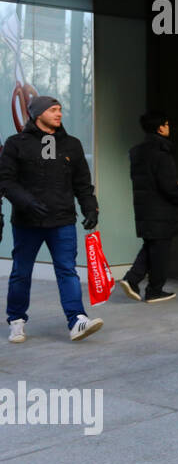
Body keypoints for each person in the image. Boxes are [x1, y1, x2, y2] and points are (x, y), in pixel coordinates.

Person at [0, 96, 102, 342]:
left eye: (60, 110)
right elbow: (6, 181)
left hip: (63, 220)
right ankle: (16, 320)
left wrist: (91, 209)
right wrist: (27, 202)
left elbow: (82, 184)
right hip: (27, 222)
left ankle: (77, 319)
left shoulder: (72, 145)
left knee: (67, 270)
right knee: (21, 273)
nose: (59, 114)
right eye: (53, 110)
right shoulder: (16, 144)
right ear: (38, 114)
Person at [121, 110, 178, 303]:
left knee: (152, 246)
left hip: (144, 208)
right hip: (161, 209)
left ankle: (132, 279)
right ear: (160, 128)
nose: (168, 127)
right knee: (160, 250)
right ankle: (154, 290)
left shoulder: (137, 152)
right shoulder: (161, 154)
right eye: (166, 124)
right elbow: (168, 186)